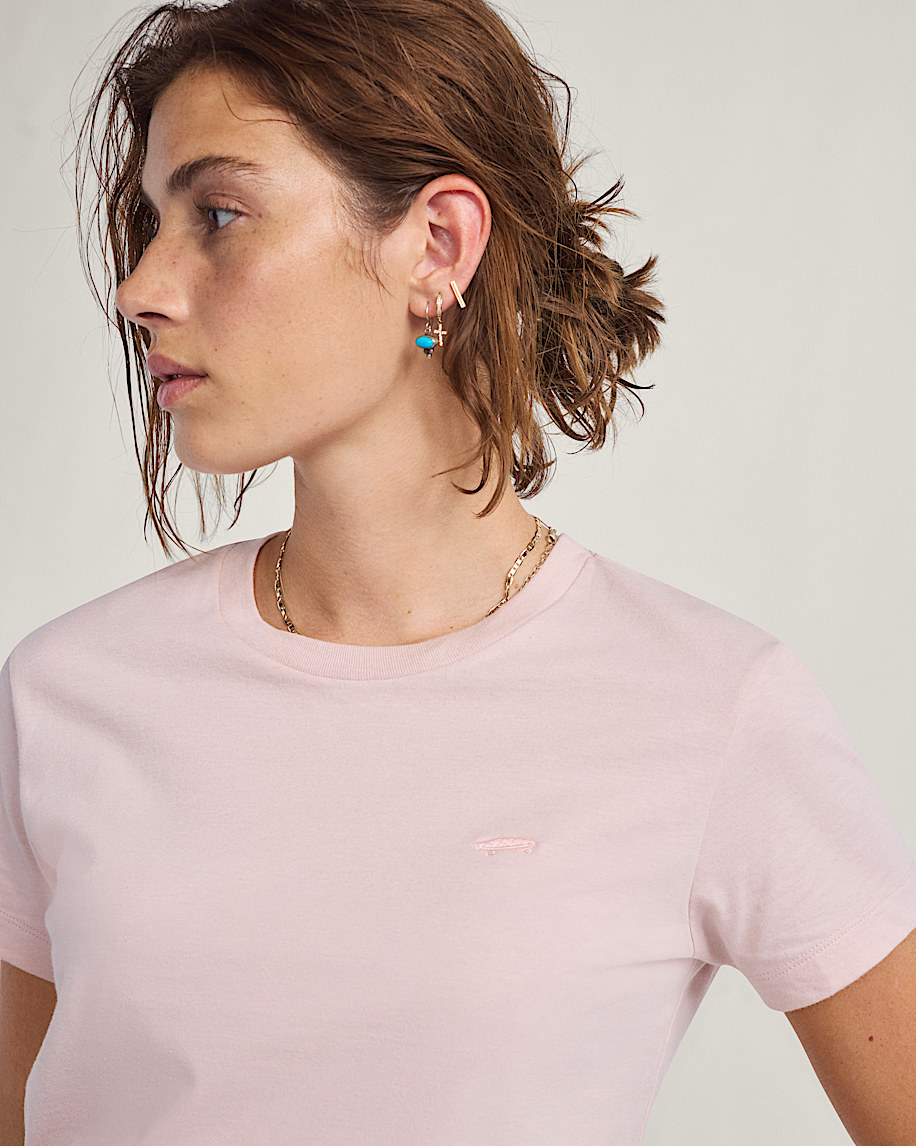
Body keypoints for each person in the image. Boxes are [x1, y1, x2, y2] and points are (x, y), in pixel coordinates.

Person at [1, 0, 915, 1142]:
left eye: (218, 215)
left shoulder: (711, 706)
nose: (141, 285)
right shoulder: (66, 693)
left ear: (437, 246)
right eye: (150, 224)